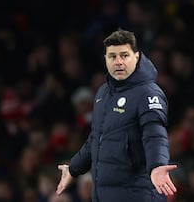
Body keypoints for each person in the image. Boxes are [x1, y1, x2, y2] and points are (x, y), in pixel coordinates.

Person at [56, 29, 177, 202]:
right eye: (113, 56)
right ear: (105, 59)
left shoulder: (148, 92)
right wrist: (73, 168)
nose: (118, 62)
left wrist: (158, 165)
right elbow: (96, 139)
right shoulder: (103, 93)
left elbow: (154, 134)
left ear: (136, 56)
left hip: (139, 194)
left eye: (124, 55)